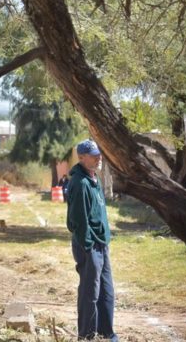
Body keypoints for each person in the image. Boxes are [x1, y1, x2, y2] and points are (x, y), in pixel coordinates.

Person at [67, 139, 118, 341]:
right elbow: (78, 221)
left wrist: (103, 241)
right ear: (81, 157)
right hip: (89, 245)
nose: (99, 158)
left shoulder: (93, 179)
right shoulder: (79, 183)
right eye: (94, 155)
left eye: (99, 153)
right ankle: (86, 335)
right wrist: (88, 246)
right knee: (91, 292)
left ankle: (107, 333)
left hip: (101, 244)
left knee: (107, 291)